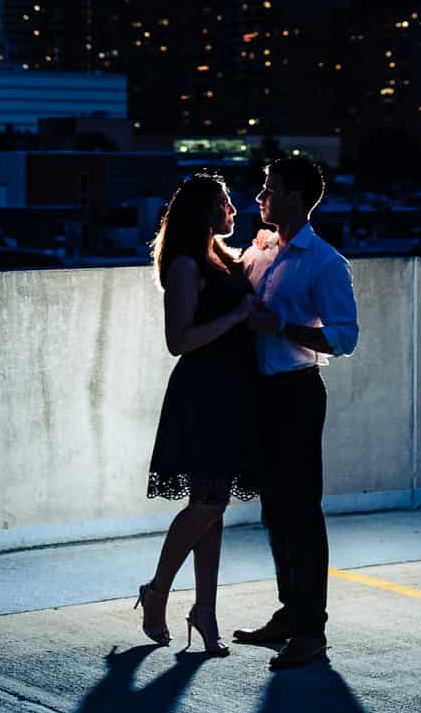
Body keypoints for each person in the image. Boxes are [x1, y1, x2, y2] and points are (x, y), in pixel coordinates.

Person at [235, 152, 359, 671]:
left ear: (293, 197)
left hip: (297, 394)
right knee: (274, 512)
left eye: (269, 187)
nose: (260, 195)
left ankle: (312, 633)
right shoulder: (261, 251)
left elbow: (345, 338)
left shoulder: (325, 262)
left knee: (301, 514)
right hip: (260, 395)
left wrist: (281, 328)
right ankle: (290, 615)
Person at [137, 173, 262, 656]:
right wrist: (237, 316)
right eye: (223, 202)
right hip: (204, 394)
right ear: (203, 211)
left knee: (215, 506)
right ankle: (158, 593)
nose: (232, 208)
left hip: (232, 392)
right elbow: (179, 341)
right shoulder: (187, 264)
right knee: (206, 505)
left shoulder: (221, 258)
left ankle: (205, 611)